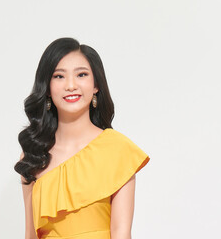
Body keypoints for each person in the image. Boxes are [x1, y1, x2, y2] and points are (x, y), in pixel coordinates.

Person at [14, 37, 150, 239]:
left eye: (81, 74)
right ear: (48, 88)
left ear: (96, 85)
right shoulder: (33, 154)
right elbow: (30, 235)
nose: (71, 85)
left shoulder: (118, 149)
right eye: (59, 76)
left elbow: (121, 233)